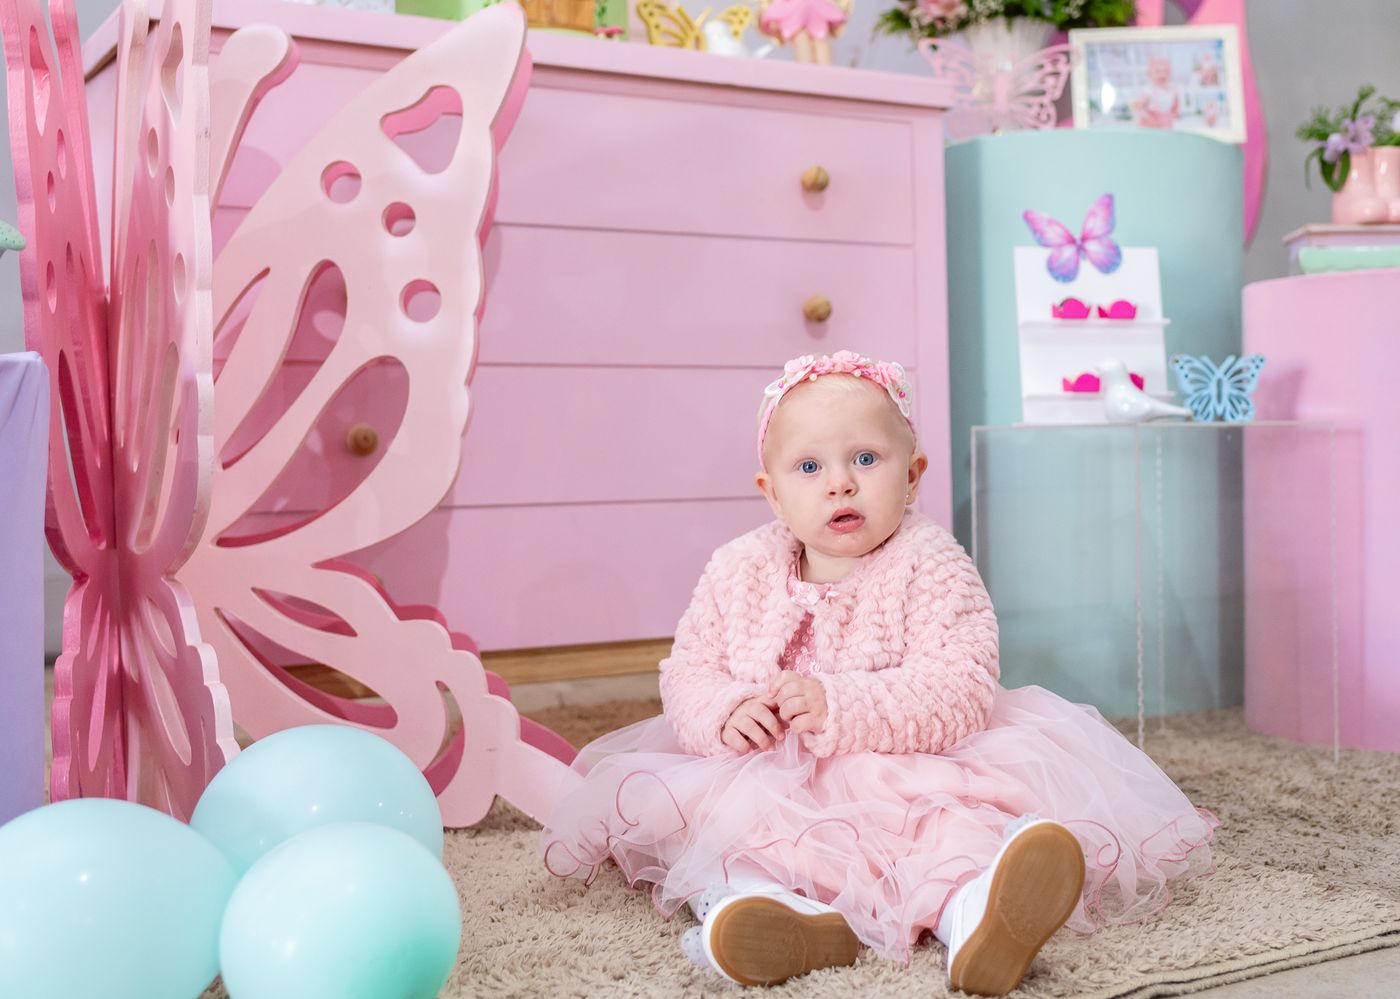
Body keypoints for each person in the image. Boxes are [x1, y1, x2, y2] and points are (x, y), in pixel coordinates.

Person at [541, 350, 1215, 995]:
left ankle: (975, 914)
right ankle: (772, 912)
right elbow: (690, 667)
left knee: (945, 827)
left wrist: (841, 705)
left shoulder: (932, 563)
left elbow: (959, 687)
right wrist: (722, 711)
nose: (840, 482)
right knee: (705, 829)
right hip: (764, 772)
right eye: (810, 466)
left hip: (901, 761)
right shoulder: (737, 569)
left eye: (866, 458)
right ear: (772, 494)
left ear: (913, 474)